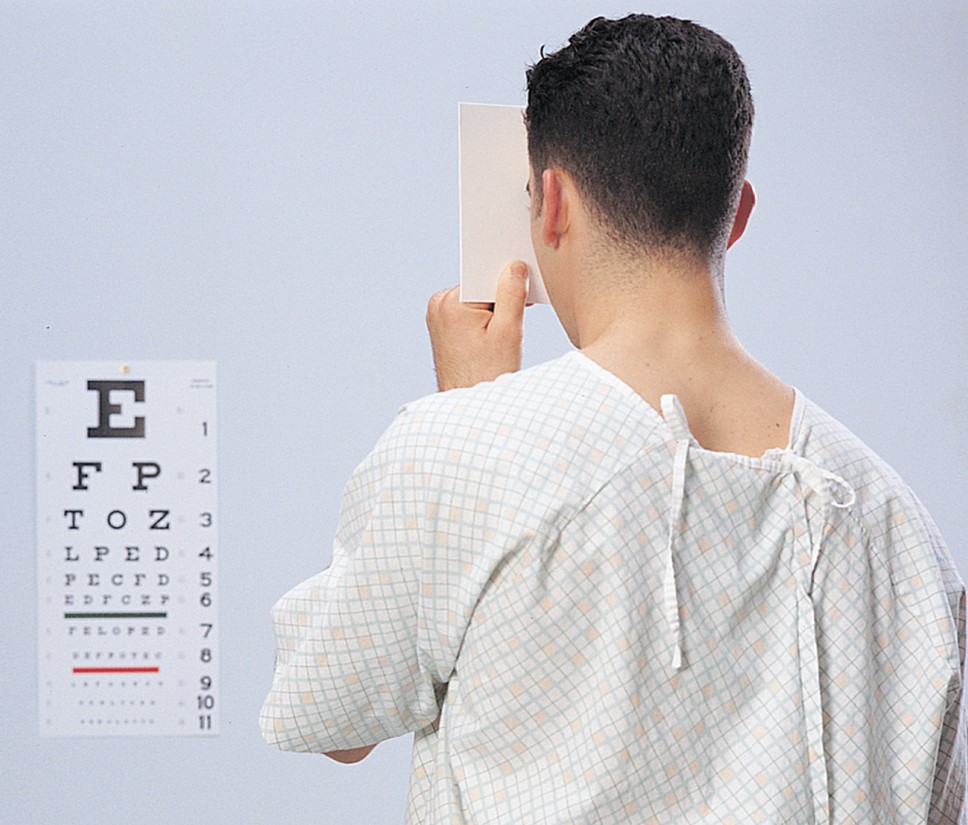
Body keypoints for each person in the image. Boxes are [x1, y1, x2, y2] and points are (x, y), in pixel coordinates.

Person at [260, 14, 966, 823]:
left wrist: (467, 412)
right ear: (736, 214)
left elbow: (337, 713)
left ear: (550, 201)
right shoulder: (898, 525)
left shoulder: (457, 451)